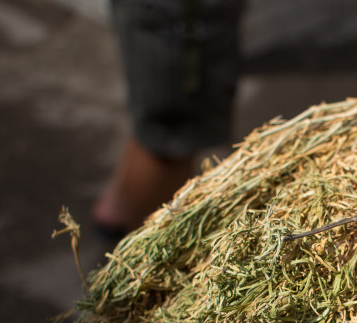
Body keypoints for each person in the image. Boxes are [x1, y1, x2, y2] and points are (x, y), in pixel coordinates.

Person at [94, 0, 245, 236]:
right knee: (175, 135)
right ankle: (141, 250)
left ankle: (118, 211)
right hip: (185, 13)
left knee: (160, 119)